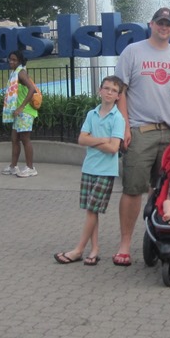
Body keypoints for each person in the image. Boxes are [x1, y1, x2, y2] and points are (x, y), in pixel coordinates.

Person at [112, 7, 170, 266]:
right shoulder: (133, 52)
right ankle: (124, 245)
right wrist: (124, 126)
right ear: (151, 24)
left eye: (168, 24)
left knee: (165, 190)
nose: (164, 27)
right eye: (160, 23)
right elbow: (119, 90)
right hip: (142, 130)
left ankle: (160, 235)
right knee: (133, 189)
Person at [54, 75, 126, 266]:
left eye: (114, 90)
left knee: (92, 210)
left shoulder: (117, 118)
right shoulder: (91, 114)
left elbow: (114, 148)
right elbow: (81, 140)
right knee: (91, 211)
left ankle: (78, 250)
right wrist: (103, 140)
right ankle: (94, 250)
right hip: (89, 167)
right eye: (107, 88)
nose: (109, 93)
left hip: (105, 171)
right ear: (100, 90)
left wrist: (93, 140)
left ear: (118, 96)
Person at [1, 50, 38, 178]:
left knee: (25, 139)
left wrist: (21, 107)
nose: (11, 62)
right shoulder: (15, 73)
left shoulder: (21, 73)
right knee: (15, 139)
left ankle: (30, 168)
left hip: (25, 112)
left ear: (19, 61)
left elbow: (32, 89)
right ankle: (13, 166)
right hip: (18, 113)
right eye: (10, 59)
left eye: (14, 60)